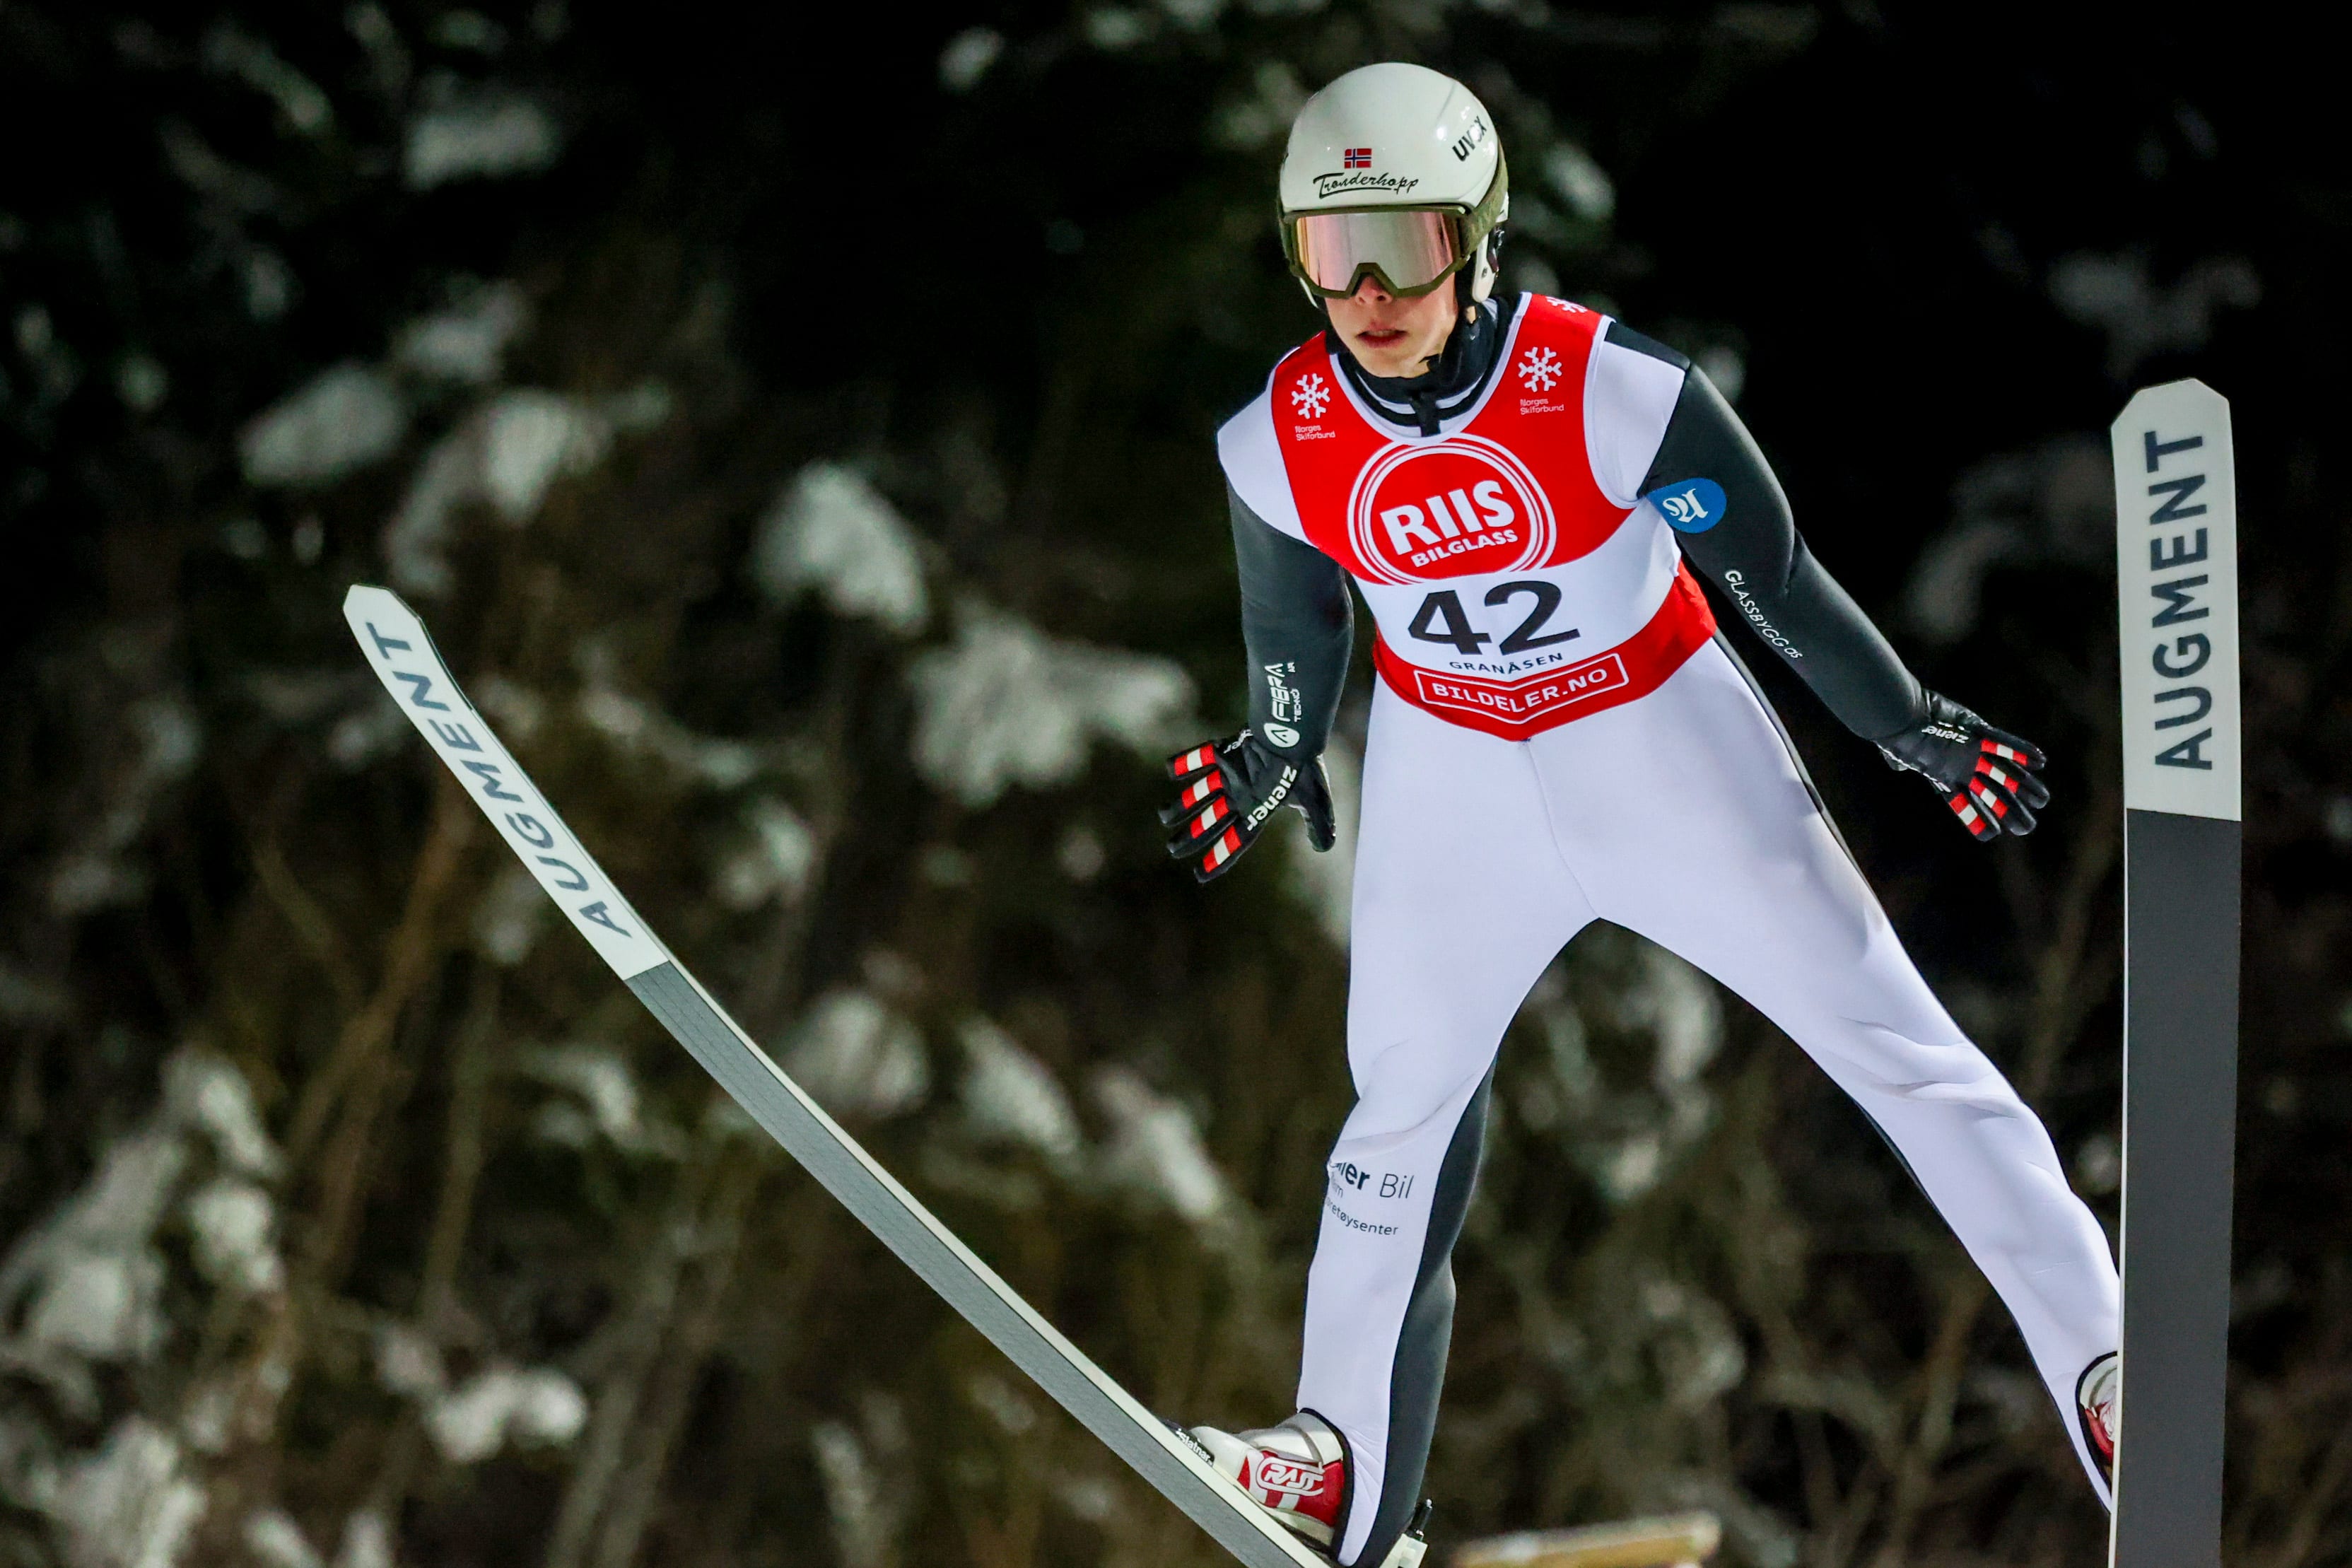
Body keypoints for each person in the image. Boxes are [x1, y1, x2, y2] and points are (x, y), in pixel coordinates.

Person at [1159, 62, 2122, 1568]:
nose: (1368, 295)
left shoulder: (1609, 390)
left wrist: (1908, 726)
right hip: (1453, 769)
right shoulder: (1275, 435)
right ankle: (1344, 1466)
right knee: (1397, 1114)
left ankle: (2105, 1366)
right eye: (1330, 254)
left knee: (1898, 1049)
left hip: (1658, 739)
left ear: (1476, 237)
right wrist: (1276, 746)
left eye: (1403, 245)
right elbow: (1297, 622)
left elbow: (1771, 580)